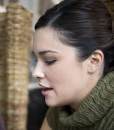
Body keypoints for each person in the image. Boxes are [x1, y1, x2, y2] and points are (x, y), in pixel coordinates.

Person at [32, 0, 114, 129]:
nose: (35, 72)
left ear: (94, 61)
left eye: (49, 60)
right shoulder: (60, 111)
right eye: (37, 60)